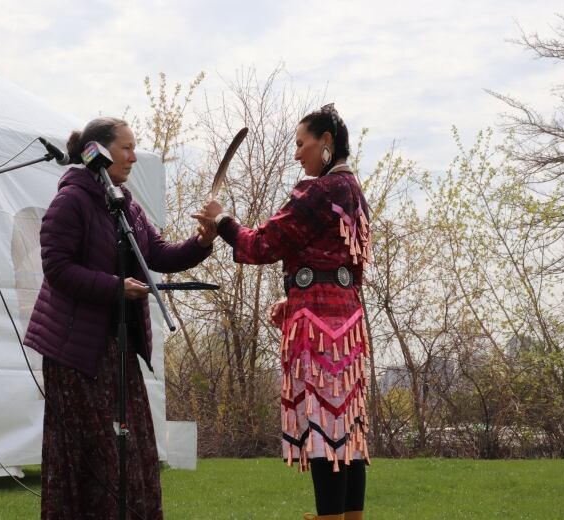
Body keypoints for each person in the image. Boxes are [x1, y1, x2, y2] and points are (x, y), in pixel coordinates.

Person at [24, 117, 215, 520]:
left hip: (119, 348)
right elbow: (56, 269)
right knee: (93, 455)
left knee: (129, 452)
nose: (133, 156)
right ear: (100, 151)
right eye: (127, 148)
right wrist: (114, 286)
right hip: (75, 354)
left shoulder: (124, 204)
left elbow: (157, 255)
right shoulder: (70, 201)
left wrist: (203, 241)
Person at [193, 104, 372, 520]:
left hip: (318, 329)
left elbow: (262, 245)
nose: (296, 154)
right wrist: (297, 295)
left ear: (326, 142)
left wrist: (222, 221)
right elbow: (345, 269)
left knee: (327, 430)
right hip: (345, 322)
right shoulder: (355, 194)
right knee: (346, 431)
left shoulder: (319, 191)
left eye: (300, 143)